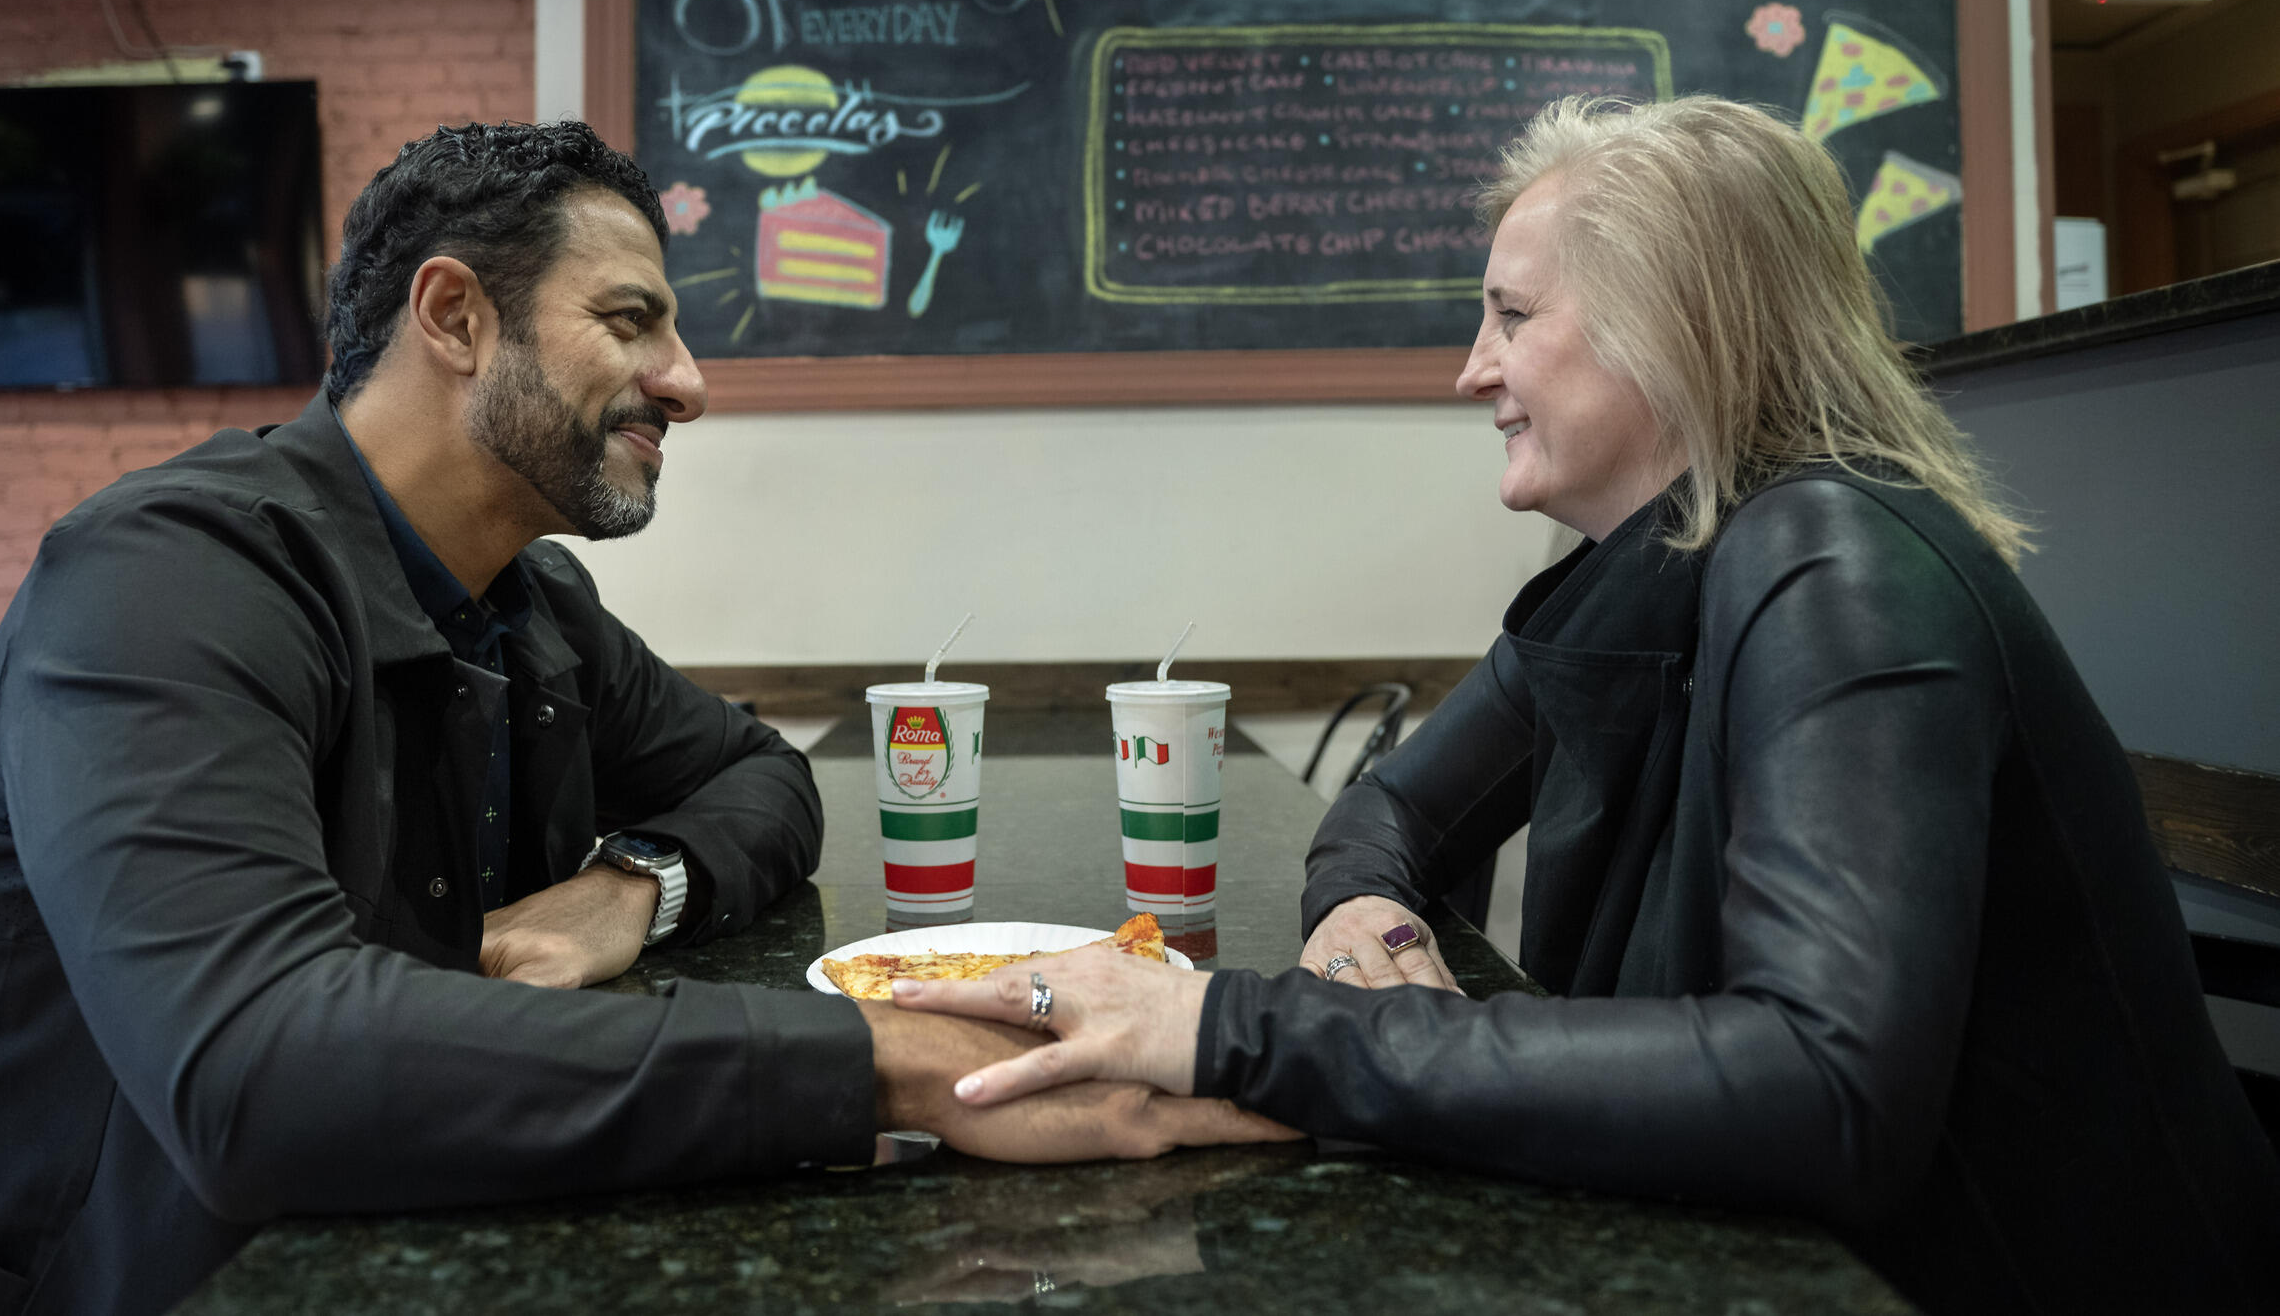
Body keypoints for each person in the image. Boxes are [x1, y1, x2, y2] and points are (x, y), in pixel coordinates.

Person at [0, 123, 1284, 1316]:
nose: (690, 385)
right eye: (630, 320)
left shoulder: (531, 603)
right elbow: (255, 1069)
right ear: (456, 317)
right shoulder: (165, 577)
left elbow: (759, 776)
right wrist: (898, 1069)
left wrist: (629, 890)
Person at [897, 95, 2280, 1314]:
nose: (1471, 370)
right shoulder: (1647, 563)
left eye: (1510, 315)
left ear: (1668, 321)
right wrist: (1363, 916)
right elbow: (1392, 808)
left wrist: (1228, 1027)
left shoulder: (1838, 567)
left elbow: (1827, 1089)